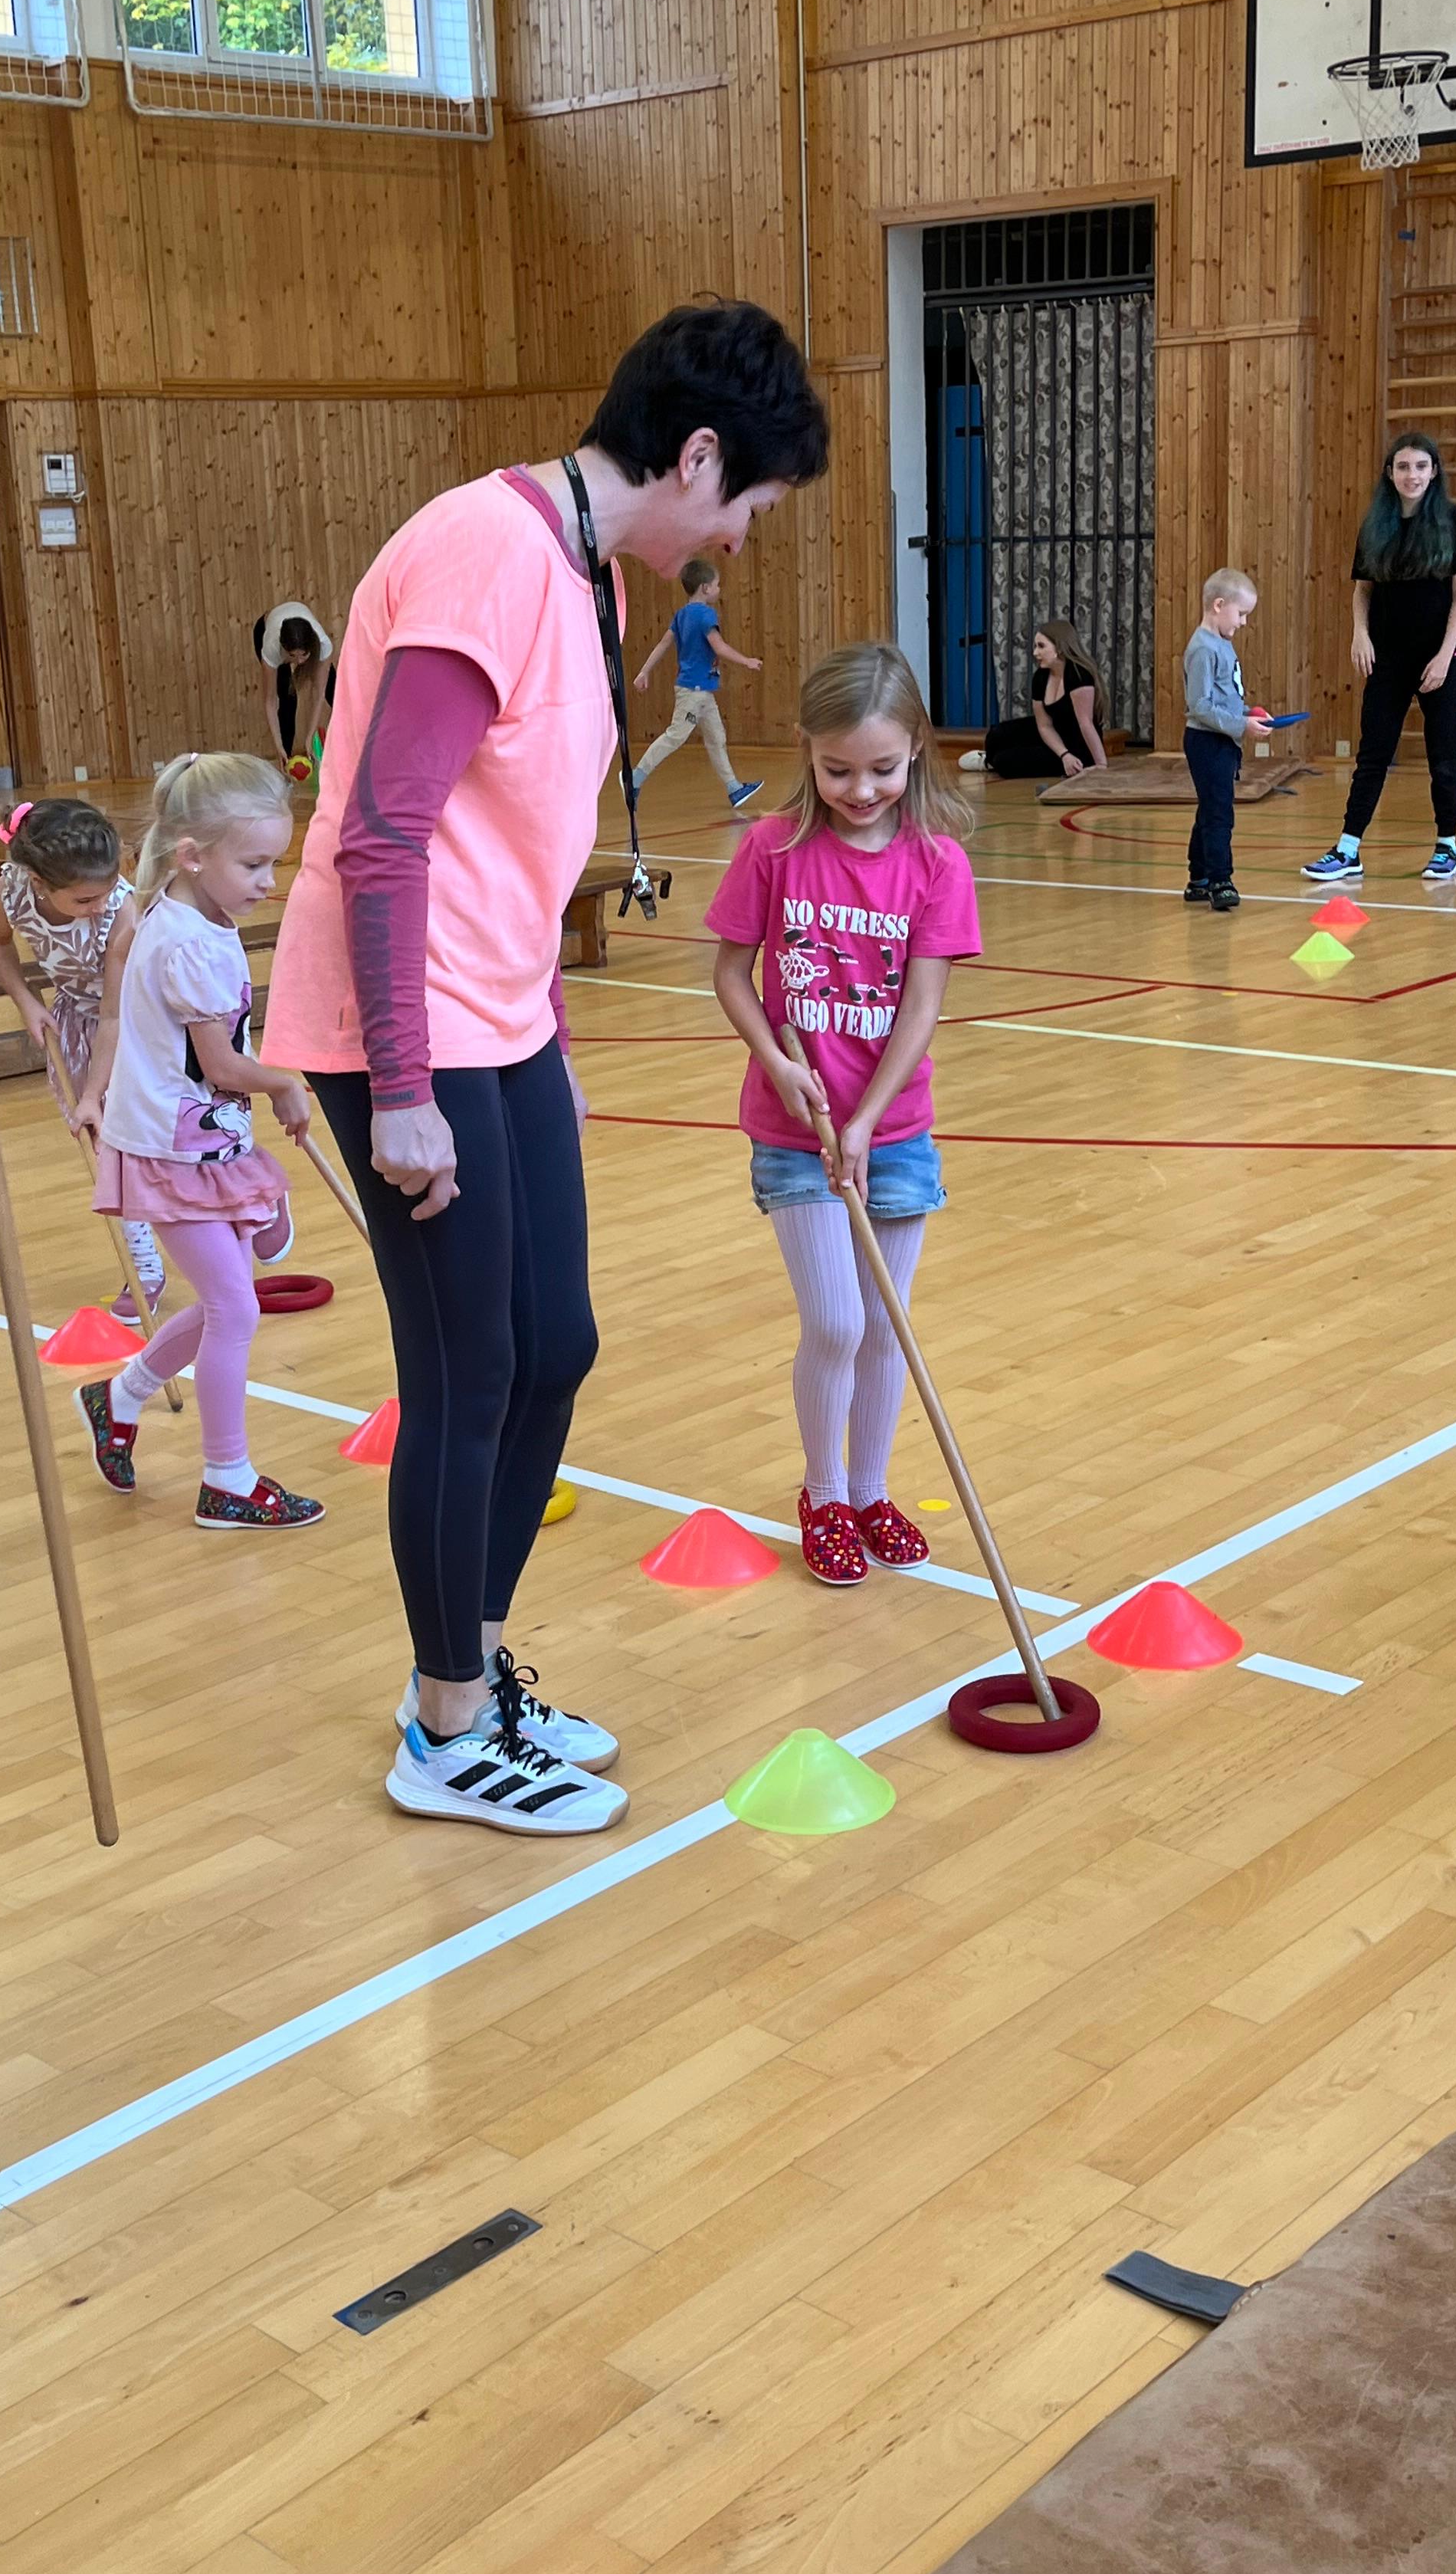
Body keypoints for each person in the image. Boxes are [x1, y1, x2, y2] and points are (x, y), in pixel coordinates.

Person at [262, 298, 829, 1833]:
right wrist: (398, 1089)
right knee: (467, 1371)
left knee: (553, 1345)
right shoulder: (486, 553)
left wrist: (548, 1037)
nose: (745, 536)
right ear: (697, 457)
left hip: (500, 1016)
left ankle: (475, 1662)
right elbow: (383, 835)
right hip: (404, 1021)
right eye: (753, 504)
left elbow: (516, 847)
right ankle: (444, 1727)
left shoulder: (591, 579)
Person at [709, 643, 980, 1584]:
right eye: (837, 771)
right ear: (806, 751)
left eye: (881, 769)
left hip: (895, 1133)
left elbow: (922, 1007)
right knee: (835, 1323)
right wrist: (777, 1060)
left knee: (885, 1323)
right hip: (795, 1132)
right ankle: (822, 1494)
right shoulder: (773, 849)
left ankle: (870, 1491)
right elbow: (731, 974)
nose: (860, 790)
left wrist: (867, 1122)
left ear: (917, 751)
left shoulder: (938, 864)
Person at [74, 751, 323, 1534]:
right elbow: (219, 1065)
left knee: (228, 1301)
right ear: (191, 855)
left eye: (273, 863)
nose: (268, 881)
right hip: (169, 1152)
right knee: (235, 1309)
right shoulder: (186, 942)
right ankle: (227, 1480)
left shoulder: (196, 919)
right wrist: (282, 1083)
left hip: (203, 1144)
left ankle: (119, 1397)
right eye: (253, 865)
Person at [0, 795, 161, 1319]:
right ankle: (144, 1267)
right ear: (39, 883)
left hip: (140, 1024)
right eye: (84, 900)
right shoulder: (9, 893)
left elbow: (116, 1016)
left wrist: (92, 1094)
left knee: (165, 1142)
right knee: (105, 1146)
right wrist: (26, 1000)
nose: (98, 906)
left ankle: (253, 1203)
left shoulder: (121, 911)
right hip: (80, 1021)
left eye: (106, 891)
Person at [1304, 431, 1456, 885]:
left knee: (1442, 754)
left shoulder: (1453, 521)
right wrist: (1360, 635)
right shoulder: (1376, 526)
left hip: (1441, 657)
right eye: (1403, 467)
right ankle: (1348, 849)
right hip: (1389, 658)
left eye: (1420, 466)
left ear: (1434, 472)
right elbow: (1362, 591)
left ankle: (1448, 846)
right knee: (1373, 753)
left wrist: (1446, 656)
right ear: (1390, 473)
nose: (1411, 475)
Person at [629, 555, 764, 812]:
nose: (719, 589)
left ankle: (734, 788)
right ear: (705, 588)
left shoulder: (681, 615)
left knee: (716, 738)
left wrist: (644, 671)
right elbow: (719, 647)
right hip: (693, 692)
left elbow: (663, 644)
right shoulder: (705, 615)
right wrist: (746, 661)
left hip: (702, 693)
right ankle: (635, 779)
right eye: (717, 585)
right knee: (675, 736)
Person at [1184, 567, 1269, 911]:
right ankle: (1221, 879)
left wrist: (1248, 714)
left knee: (1211, 808)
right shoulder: (1203, 649)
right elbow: (1200, 706)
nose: (1244, 622)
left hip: (1222, 740)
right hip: (1207, 742)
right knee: (1219, 813)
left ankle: (1199, 878)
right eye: (1242, 613)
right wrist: (1241, 725)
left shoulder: (1221, 644)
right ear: (1219, 605)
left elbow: (1224, 698)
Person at [957, 622, 1109, 780]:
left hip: (1077, 744)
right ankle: (990, 759)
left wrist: (1100, 764)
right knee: (997, 734)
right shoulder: (1041, 677)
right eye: (1036, 646)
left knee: (1005, 762)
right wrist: (1063, 754)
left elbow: (1086, 724)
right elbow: (1044, 725)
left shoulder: (1079, 675)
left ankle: (992, 762)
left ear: (1059, 648)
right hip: (1054, 733)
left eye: (1041, 646)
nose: (1035, 652)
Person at [254, 602, 334, 776]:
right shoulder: (272, 648)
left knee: (334, 690)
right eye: (293, 656)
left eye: (303, 655)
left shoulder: (323, 644)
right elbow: (270, 701)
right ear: (285, 650)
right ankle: (285, 759)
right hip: (266, 627)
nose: (299, 662)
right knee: (288, 699)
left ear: (310, 648)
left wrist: (309, 738)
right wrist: (279, 746)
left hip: (305, 639)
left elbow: (318, 694)